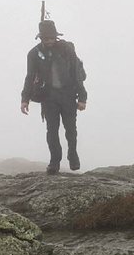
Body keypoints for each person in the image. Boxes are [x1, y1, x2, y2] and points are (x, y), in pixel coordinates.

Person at [20, 20, 87, 174]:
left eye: (51, 38)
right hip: (48, 97)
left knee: (71, 129)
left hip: (68, 94)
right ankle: (54, 162)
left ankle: (73, 155)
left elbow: (76, 73)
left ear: (56, 37)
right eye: (46, 38)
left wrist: (82, 97)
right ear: (41, 38)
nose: (49, 41)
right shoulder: (34, 54)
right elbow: (30, 77)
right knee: (52, 130)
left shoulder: (67, 49)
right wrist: (25, 99)